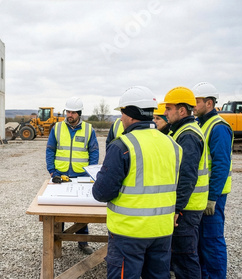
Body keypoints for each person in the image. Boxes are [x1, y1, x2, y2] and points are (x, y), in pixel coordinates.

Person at [92, 86, 182, 279]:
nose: (121, 119)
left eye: (122, 113)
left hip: (129, 232)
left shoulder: (122, 146)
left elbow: (102, 193)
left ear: (131, 115)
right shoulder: (173, 145)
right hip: (162, 231)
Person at [162, 87, 208, 279]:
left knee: (185, 258)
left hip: (187, 208)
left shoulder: (187, 135)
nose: (165, 113)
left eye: (169, 108)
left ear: (182, 110)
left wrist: (177, 209)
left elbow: (187, 176)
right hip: (186, 206)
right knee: (181, 256)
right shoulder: (180, 131)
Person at [46, 96, 100, 254]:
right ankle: (58, 240)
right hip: (60, 174)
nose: (70, 115)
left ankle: (83, 242)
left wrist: (90, 172)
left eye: (73, 112)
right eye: (68, 111)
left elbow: (94, 152)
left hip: (81, 176)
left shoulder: (89, 130)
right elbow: (50, 149)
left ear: (79, 113)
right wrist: (52, 170)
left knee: (81, 211)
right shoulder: (57, 128)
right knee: (60, 209)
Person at [192, 82, 233, 279]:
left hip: (213, 195)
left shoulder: (218, 128)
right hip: (204, 194)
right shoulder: (203, 124)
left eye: (197, 102)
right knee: (201, 241)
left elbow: (221, 164)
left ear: (209, 103)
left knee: (212, 240)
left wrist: (212, 197)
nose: (194, 106)